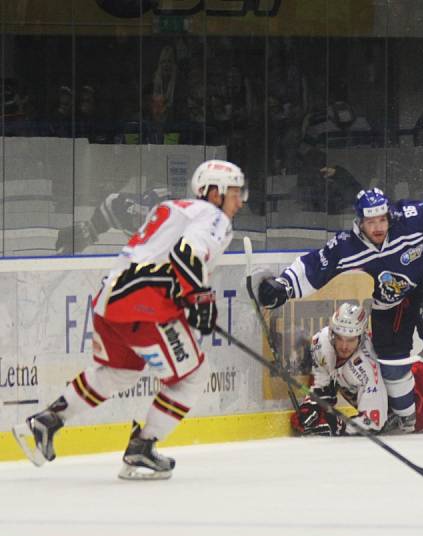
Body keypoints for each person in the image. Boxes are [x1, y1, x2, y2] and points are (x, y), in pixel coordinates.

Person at [12, 160, 247, 479]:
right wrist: (199, 298)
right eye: (234, 192)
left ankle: (46, 421)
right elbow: (186, 253)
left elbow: (117, 206)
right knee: (192, 375)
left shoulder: (172, 207)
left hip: (108, 300)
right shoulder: (213, 216)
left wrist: (90, 229)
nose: (240, 200)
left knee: (119, 372)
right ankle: (142, 448)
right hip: (143, 302)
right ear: (214, 192)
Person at [255, 187, 423, 439]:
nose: (379, 227)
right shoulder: (347, 246)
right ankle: (405, 419)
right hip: (391, 297)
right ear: (359, 223)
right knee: (390, 362)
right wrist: (283, 286)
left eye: (382, 219)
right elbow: (313, 266)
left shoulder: (409, 218)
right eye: (371, 222)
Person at [290, 302, 423, 436]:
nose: (344, 346)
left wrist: (335, 425)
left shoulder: (366, 365)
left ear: (361, 336)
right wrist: (311, 407)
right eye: (339, 338)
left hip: (419, 391)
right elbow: (323, 384)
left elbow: (373, 422)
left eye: (350, 340)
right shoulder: (321, 343)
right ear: (332, 332)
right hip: (391, 414)